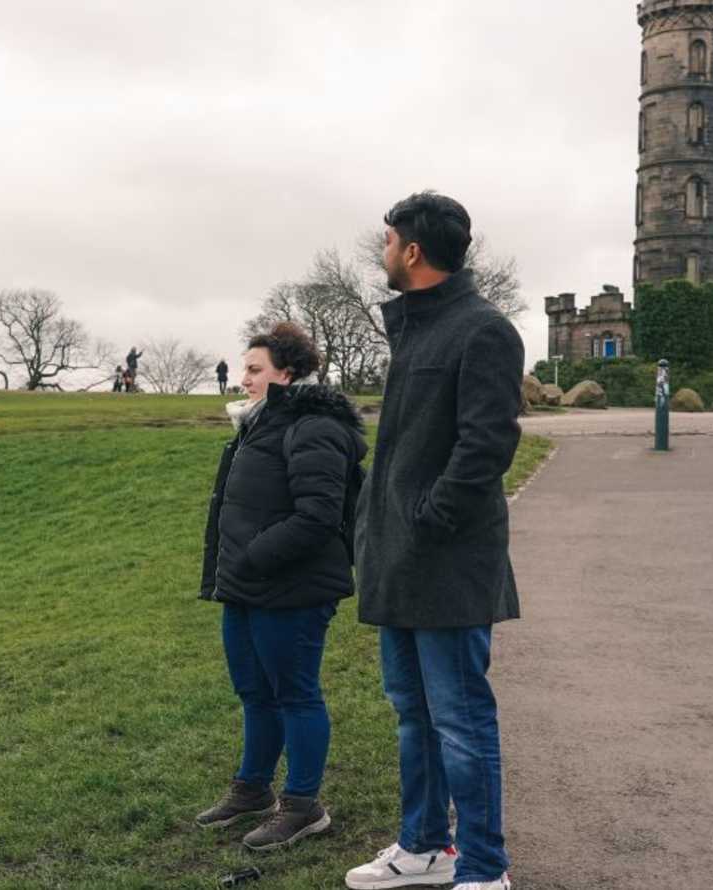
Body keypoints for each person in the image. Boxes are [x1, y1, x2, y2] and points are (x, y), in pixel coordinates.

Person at [345, 193, 522, 890]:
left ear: (412, 250)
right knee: (412, 714)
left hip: (446, 560)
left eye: (388, 241)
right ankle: (425, 848)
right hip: (398, 560)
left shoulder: (482, 330)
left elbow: (487, 444)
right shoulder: (415, 329)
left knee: (461, 720)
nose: (383, 251)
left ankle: (484, 869)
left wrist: (428, 516)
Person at [194, 323, 368, 853]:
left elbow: (317, 517)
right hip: (248, 587)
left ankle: (302, 806)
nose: (242, 379)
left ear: (285, 374)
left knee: (295, 694)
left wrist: (254, 557)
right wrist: (237, 568)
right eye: (243, 368)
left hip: (293, 588)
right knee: (255, 692)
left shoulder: (312, 427)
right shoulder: (259, 424)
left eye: (254, 370)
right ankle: (250, 790)